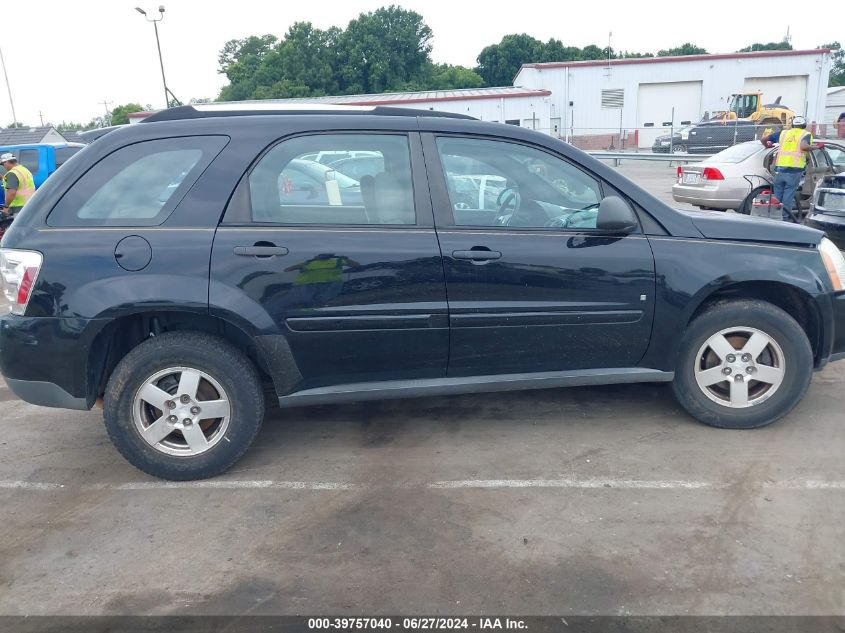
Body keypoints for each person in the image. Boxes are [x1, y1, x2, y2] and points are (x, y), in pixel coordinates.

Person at [760, 116, 813, 221]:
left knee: (778, 196)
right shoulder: (806, 134)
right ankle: (783, 218)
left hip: (779, 170)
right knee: (788, 197)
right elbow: (804, 146)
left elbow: (763, 139)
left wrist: (767, 146)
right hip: (794, 171)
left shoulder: (783, 133)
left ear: (793, 124)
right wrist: (816, 147)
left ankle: (774, 217)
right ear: (804, 126)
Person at [1, 152, 35, 219]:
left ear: (7, 162)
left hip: (18, 208)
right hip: (29, 204)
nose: (3, 166)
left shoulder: (12, 174)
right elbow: (20, 183)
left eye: (3, 164)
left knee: (19, 228)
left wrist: (6, 207)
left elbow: (11, 193)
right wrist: (2, 178)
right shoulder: (24, 170)